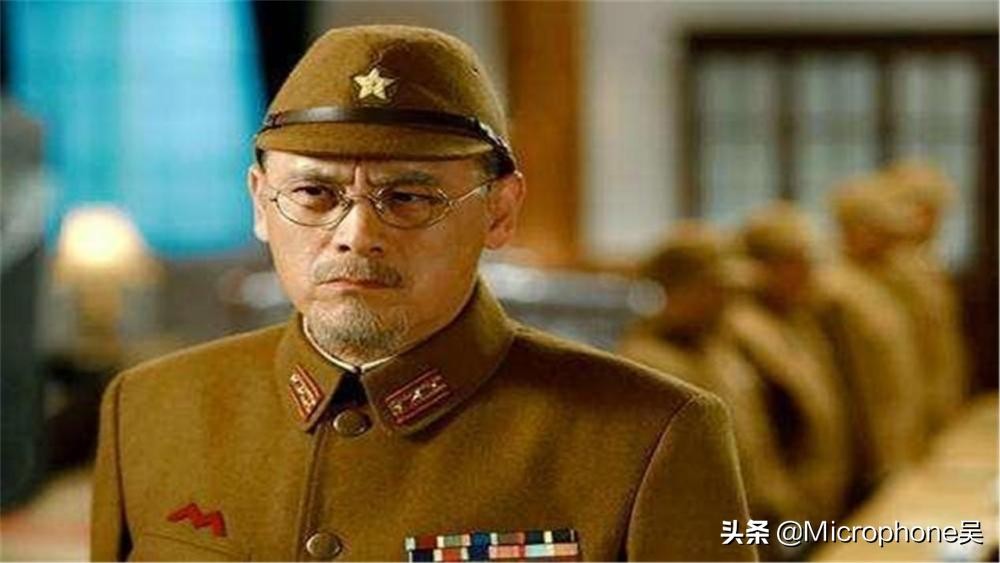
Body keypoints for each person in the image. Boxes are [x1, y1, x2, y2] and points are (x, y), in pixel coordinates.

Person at [90, 25, 754, 562]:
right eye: (314, 193)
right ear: (261, 204)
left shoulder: (650, 435)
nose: (356, 235)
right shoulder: (147, 410)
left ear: (499, 211)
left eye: (408, 197)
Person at [618, 222, 804, 561]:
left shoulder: (720, 349)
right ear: (680, 289)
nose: (727, 301)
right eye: (716, 289)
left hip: (753, 522)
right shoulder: (646, 366)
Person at [722, 203, 852, 522]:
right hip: (782, 502)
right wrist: (780, 501)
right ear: (761, 268)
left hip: (820, 488)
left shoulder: (799, 317)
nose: (808, 273)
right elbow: (763, 428)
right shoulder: (741, 329)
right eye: (796, 263)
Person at [812, 176, 924, 491]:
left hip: (897, 442)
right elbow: (849, 386)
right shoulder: (834, 290)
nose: (894, 245)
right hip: (869, 456)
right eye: (884, 235)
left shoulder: (877, 282)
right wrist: (869, 462)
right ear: (859, 233)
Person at [880, 160, 967, 432]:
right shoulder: (893, 267)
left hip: (935, 392)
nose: (936, 221)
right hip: (910, 396)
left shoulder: (925, 262)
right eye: (930, 211)